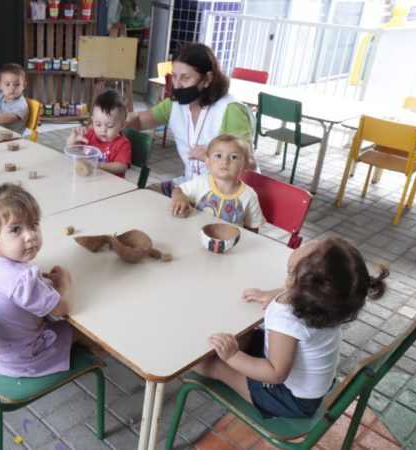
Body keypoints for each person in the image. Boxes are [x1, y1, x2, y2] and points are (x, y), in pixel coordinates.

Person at [195, 237, 388, 418]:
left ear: (294, 278)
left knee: (209, 363)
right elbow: (295, 296)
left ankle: (219, 366)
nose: (310, 241)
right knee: (241, 337)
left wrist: (232, 357)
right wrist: (272, 294)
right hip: (307, 379)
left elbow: (275, 373)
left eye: (309, 247)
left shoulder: (286, 319)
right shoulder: (329, 301)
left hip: (291, 398)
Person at [0, 183, 99, 377]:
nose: (30, 236)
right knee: (88, 332)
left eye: (34, 224)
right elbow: (63, 308)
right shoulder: (22, 281)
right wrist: (64, 282)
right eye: (16, 230)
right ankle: (98, 359)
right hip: (24, 359)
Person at [125, 43, 256, 196]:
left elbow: (250, 164)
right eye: (174, 76)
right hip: (191, 184)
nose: (177, 85)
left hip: (225, 193)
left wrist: (215, 155)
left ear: (207, 79)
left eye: (185, 78)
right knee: (147, 195)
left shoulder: (230, 110)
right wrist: (121, 119)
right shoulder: (175, 105)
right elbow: (140, 121)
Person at [170, 134, 264, 231]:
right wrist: (179, 198)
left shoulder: (249, 195)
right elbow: (178, 190)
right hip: (196, 235)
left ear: (245, 165)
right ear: (207, 161)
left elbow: (252, 228)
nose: (225, 161)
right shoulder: (201, 182)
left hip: (230, 243)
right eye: (219, 156)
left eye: (234, 157)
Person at [65, 90, 131, 177]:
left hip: (111, 183)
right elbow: (70, 149)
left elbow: (122, 166)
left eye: (110, 126)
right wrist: (72, 140)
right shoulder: (89, 135)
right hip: (89, 178)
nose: (103, 130)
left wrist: (99, 165)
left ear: (122, 125)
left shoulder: (122, 144)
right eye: (98, 124)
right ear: (93, 121)